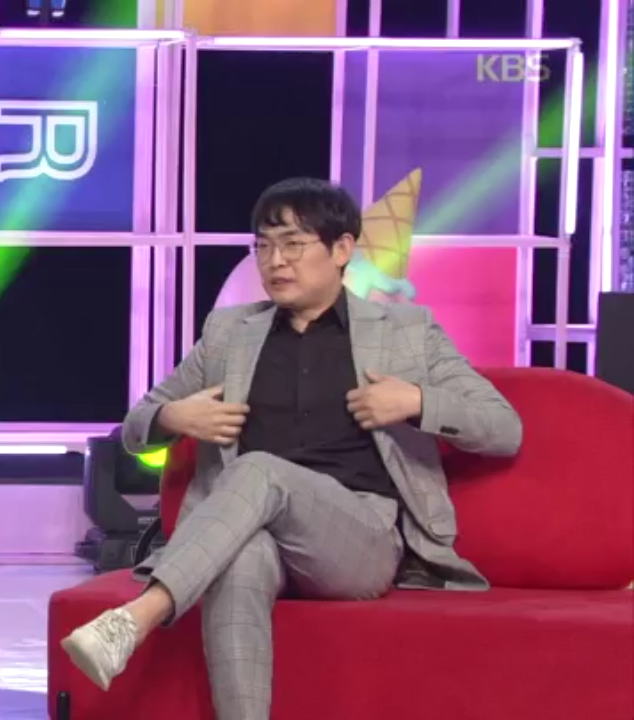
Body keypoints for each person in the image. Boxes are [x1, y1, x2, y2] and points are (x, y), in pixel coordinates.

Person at [60, 177, 523, 719]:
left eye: (293, 244)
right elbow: (135, 425)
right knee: (239, 561)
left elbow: (503, 427)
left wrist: (417, 401)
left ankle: (136, 619)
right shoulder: (230, 333)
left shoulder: (406, 332)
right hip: (257, 534)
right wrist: (172, 417)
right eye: (263, 246)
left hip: (360, 538)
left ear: (342, 249)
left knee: (261, 470)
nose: (274, 261)